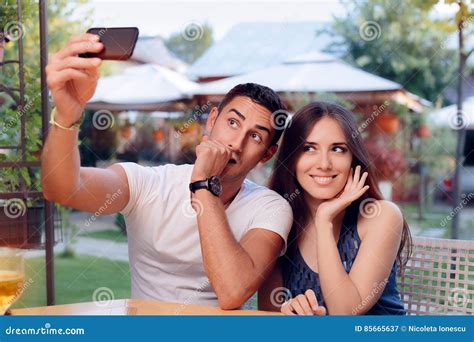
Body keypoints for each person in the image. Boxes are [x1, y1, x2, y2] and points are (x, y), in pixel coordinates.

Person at [42, 33, 293, 309]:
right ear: (212, 121)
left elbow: (232, 291)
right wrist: (67, 115)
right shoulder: (149, 183)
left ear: (267, 155)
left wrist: (203, 186)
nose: (237, 143)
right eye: (233, 122)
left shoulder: (270, 208)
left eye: (255, 137)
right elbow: (63, 189)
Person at [258, 102, 411, 315]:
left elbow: (345, 312)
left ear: (353, 158)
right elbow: (268, 312)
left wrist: (323, 221)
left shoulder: (381, 215)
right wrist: (288, 309)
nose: (324, 164)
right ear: (291, 158)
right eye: (309, 148)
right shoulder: (279, 220)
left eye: (338, 149)